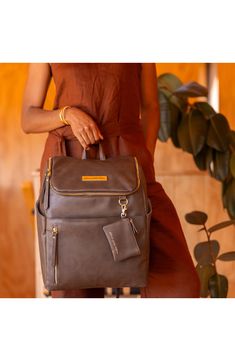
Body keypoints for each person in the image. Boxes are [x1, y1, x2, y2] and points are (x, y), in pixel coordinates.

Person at [21, 63, 200, 298]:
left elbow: (151, 107)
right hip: (70, 167)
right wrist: (67, 115)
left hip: (129, 162)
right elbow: (28, 118)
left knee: (181, 284)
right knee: (75, 285)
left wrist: (145, 159)